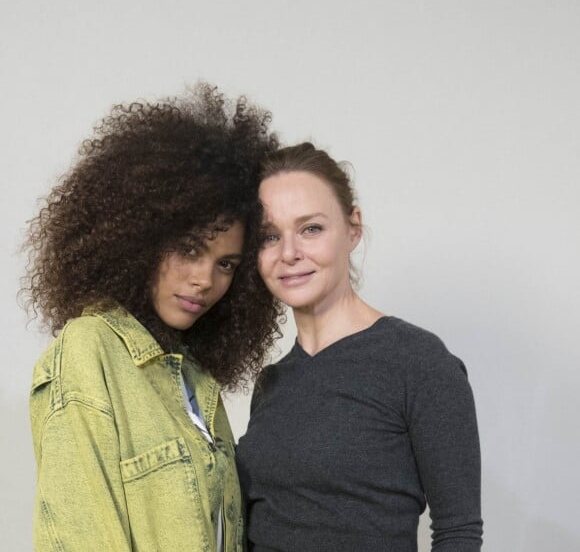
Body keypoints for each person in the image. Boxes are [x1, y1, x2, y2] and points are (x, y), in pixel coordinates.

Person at [22, 83, 282, 551]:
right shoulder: (89, 353)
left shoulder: (196, 383)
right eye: (189, 249)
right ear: (139, 236)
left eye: (226, 264)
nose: (206, 279)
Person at [236, 142, 483, 551]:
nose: (290, 253)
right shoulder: (271, 383)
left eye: (311, 228)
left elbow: (458, 533)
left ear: (352, 229)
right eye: (269, 236)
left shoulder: (418, 362)